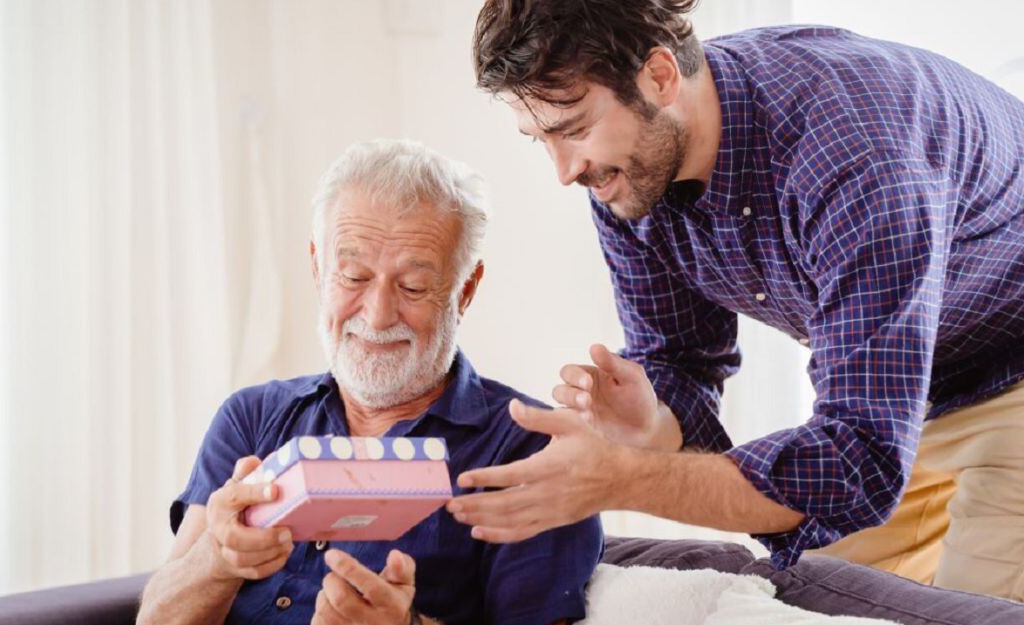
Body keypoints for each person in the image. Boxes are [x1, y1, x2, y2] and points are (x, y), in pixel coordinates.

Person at [448, 0, 1024, 601]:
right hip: (912, 392)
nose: (565, 170)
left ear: (660, 77)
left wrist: (622, 480)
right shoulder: (627, 177)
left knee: (974, 611)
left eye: (574, 129)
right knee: (823, 596)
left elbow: (860, 458)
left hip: (1012, 366)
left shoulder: (850, 154)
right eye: (541, 138)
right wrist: (655, 425)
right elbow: (679, 360)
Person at [137, 139, 603, 625]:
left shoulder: (536, 453)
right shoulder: (251, 418)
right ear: (319, 269)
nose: (378, 316)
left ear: (464, 291)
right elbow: (156, 619)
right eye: (355, 276)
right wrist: (218, 556)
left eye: (413, 287)